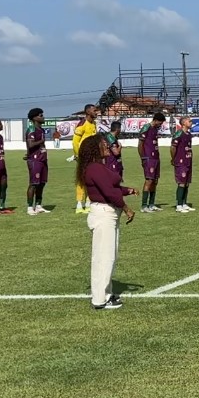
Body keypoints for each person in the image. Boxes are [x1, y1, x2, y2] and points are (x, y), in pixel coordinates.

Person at [78, 133, 137, 311]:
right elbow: (110, 193)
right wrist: (127, 208)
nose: (107, 146)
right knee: (104, 258)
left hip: (107, 214)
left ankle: (106, 294)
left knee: (109, 256)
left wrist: (128, 190)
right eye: (104, 144)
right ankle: (100, 299)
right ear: (95, 148)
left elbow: (112, 187)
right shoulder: (95, 168)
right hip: (104, 214)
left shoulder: (97, 167)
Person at [72, 104, 100, 214]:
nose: (96, 112)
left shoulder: (94, 124)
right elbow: (75, 142)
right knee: (82, 180)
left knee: (91, 179)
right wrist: (78, 155)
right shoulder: (82, 124)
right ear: (88, 112)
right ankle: (79, 205)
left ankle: (88, 203)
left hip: (93, 157)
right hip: (83, 157)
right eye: (94, 110)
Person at [137, 111, 165, 212]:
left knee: (155, 181)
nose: (160, 125)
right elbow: (140, 144)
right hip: (148, 158)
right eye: (160, 123)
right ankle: (144, 206)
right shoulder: (146, 127)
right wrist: (143, 157)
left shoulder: (155, 129)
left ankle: (151, 204)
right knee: (149, 180)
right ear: (156, 120)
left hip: (156, 158)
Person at [25, 108, 50, 215]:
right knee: (33, 184)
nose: (43, 117)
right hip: (35, 160)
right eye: (40, 115)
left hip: (43, 159)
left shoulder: (42, 130)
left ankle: (39, 205)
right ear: (34, 118)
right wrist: (41, 141)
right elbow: (30, 145)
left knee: (42, 183)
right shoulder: (31, 129)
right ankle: (30, 207)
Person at [171, 116, 195, 212]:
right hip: (181, 162)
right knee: (181, 183)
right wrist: (174, 159)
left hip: (188, 161)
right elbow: (173, 147)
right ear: (184, 123)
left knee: (187, 183)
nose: (191, 122)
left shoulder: (188, 134)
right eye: (189, 121)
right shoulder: (179, 133)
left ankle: (184, 203)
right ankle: (179, 205)